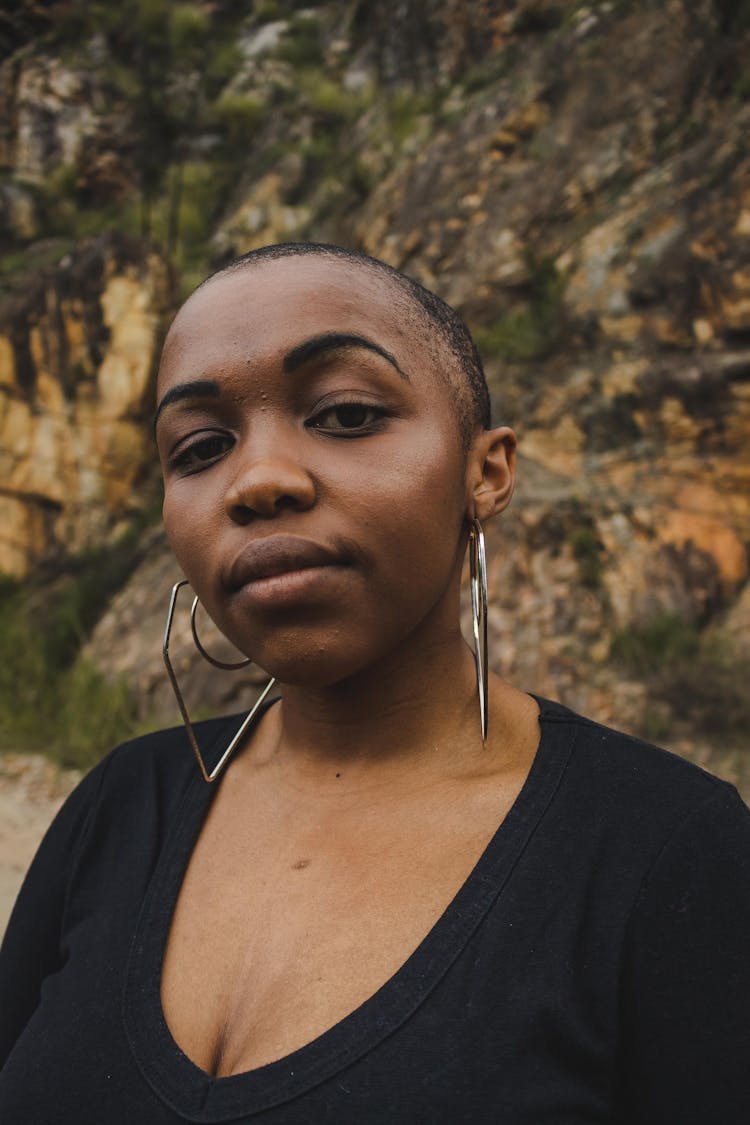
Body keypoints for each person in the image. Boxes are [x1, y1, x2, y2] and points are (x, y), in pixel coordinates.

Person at [0, 242, 748, 1124]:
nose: (258, 480)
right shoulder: (118, 808)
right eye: (199, 448)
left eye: (347, 414)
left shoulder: (672, 853)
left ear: (487, 473)